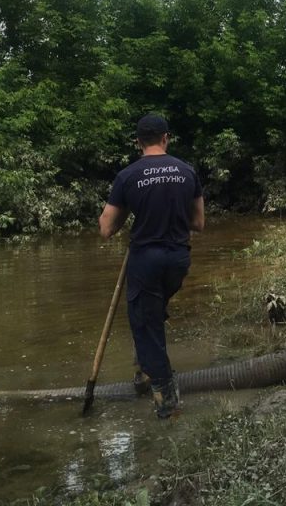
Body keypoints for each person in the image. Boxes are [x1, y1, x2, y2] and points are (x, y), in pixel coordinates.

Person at [98, 113, 205, 418]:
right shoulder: (187, 172)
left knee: (145, 324)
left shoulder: (128, 176)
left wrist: (130, 215)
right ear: (166, 138)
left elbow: (106, 228)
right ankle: (144, 369)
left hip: (146, 260)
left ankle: (167, 405)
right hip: (178, 260)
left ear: (138, 142)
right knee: (149, 314)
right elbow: (198, 223)